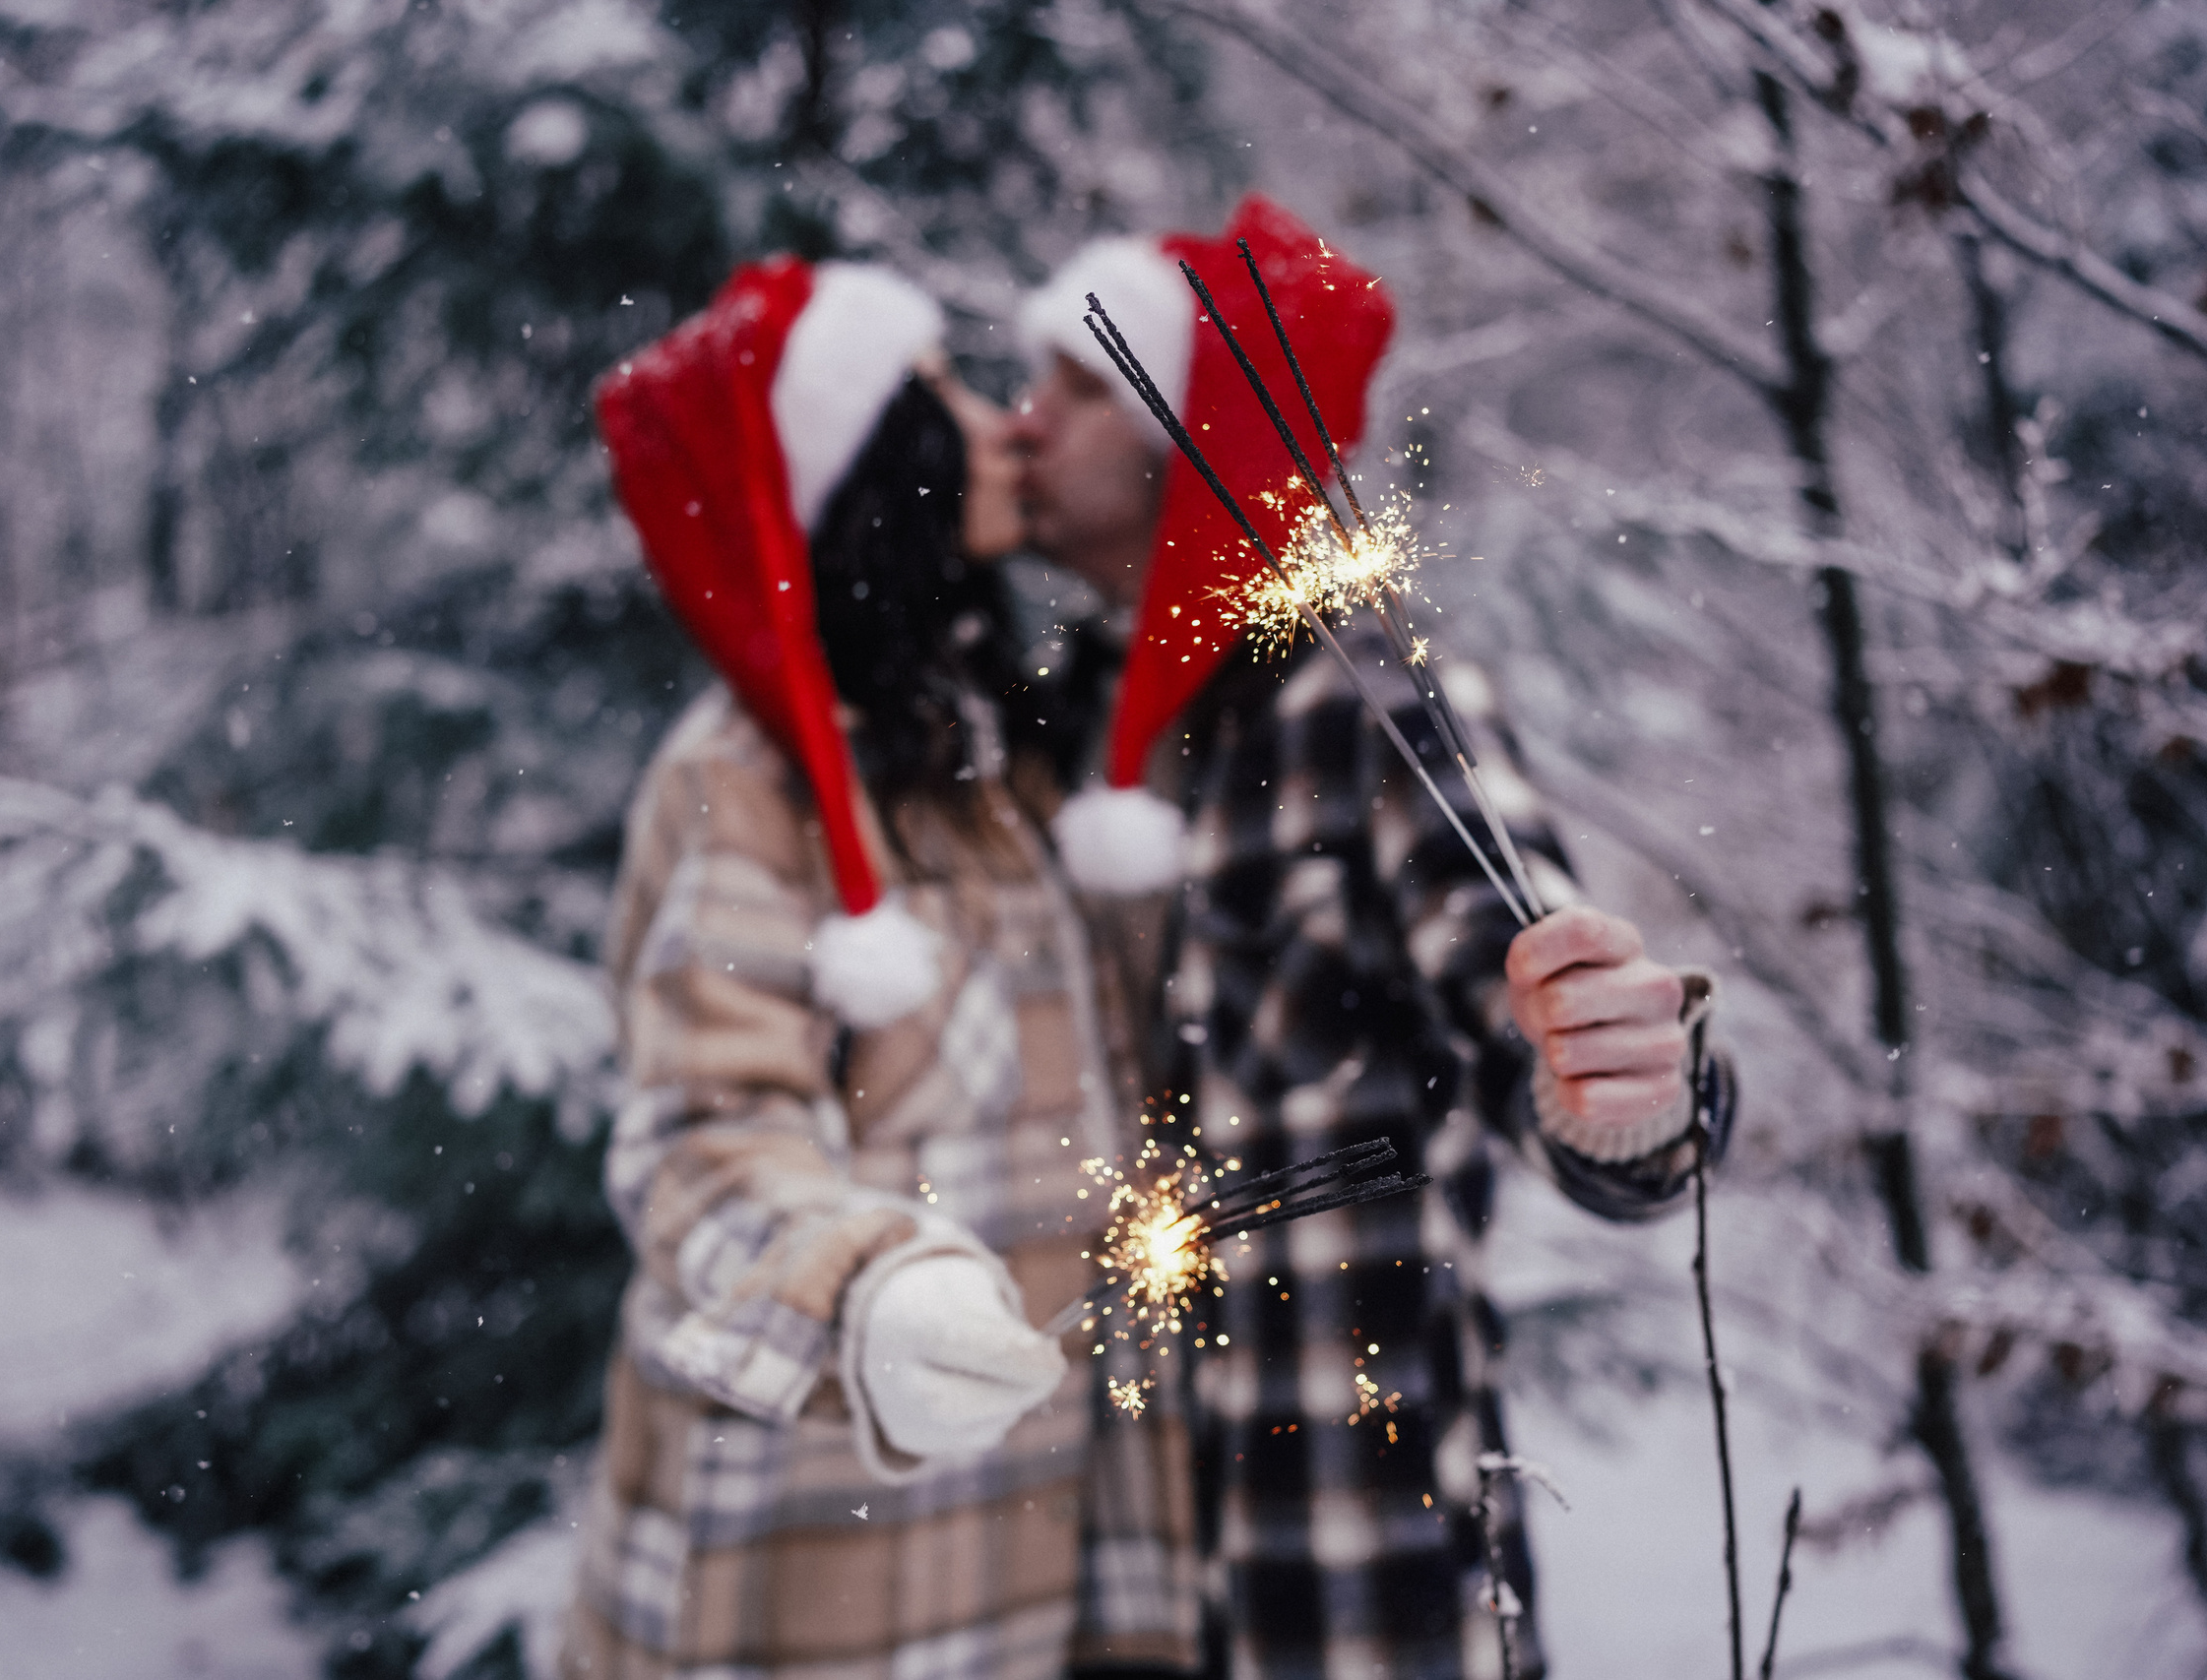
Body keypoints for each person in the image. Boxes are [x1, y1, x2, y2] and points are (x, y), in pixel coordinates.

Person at [1014, 197, 1738, 1679]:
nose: (1027, 425)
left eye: (1077, 386)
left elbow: (1562, 1029)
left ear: (1180, 430)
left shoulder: (1367, 701)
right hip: (1124, 1576)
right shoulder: (1070, 729)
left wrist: (1634, 1091)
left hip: (1355, 1570)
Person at [563, 258, 1202, 1680]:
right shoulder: (746, 782)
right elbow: (704, 1135)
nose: (1002, 427)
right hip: (831, 1560)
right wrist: (870, 1285)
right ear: (870, 477)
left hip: (1036, 1547)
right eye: (945, 403)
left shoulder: (990, 757)